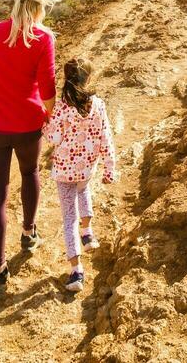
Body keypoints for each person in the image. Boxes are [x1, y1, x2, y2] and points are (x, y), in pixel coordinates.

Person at [0, 0, 60, 290]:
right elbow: (49, 89)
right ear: (40, 7)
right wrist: (50, 117)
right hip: (28, 125)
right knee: (30, 173)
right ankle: (28, 234)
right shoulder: (43, 38)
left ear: (16, 1)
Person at [43, 57, 117, 292]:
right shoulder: (99, 105)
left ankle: (76, 272)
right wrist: (109, 167)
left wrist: (44, 125)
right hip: (87, 166)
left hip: (65, 170)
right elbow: (106, 137)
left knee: (68, 220)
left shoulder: (62, 107)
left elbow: (53, 138)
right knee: (84, 191)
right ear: (88, 79)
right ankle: (88, 235)